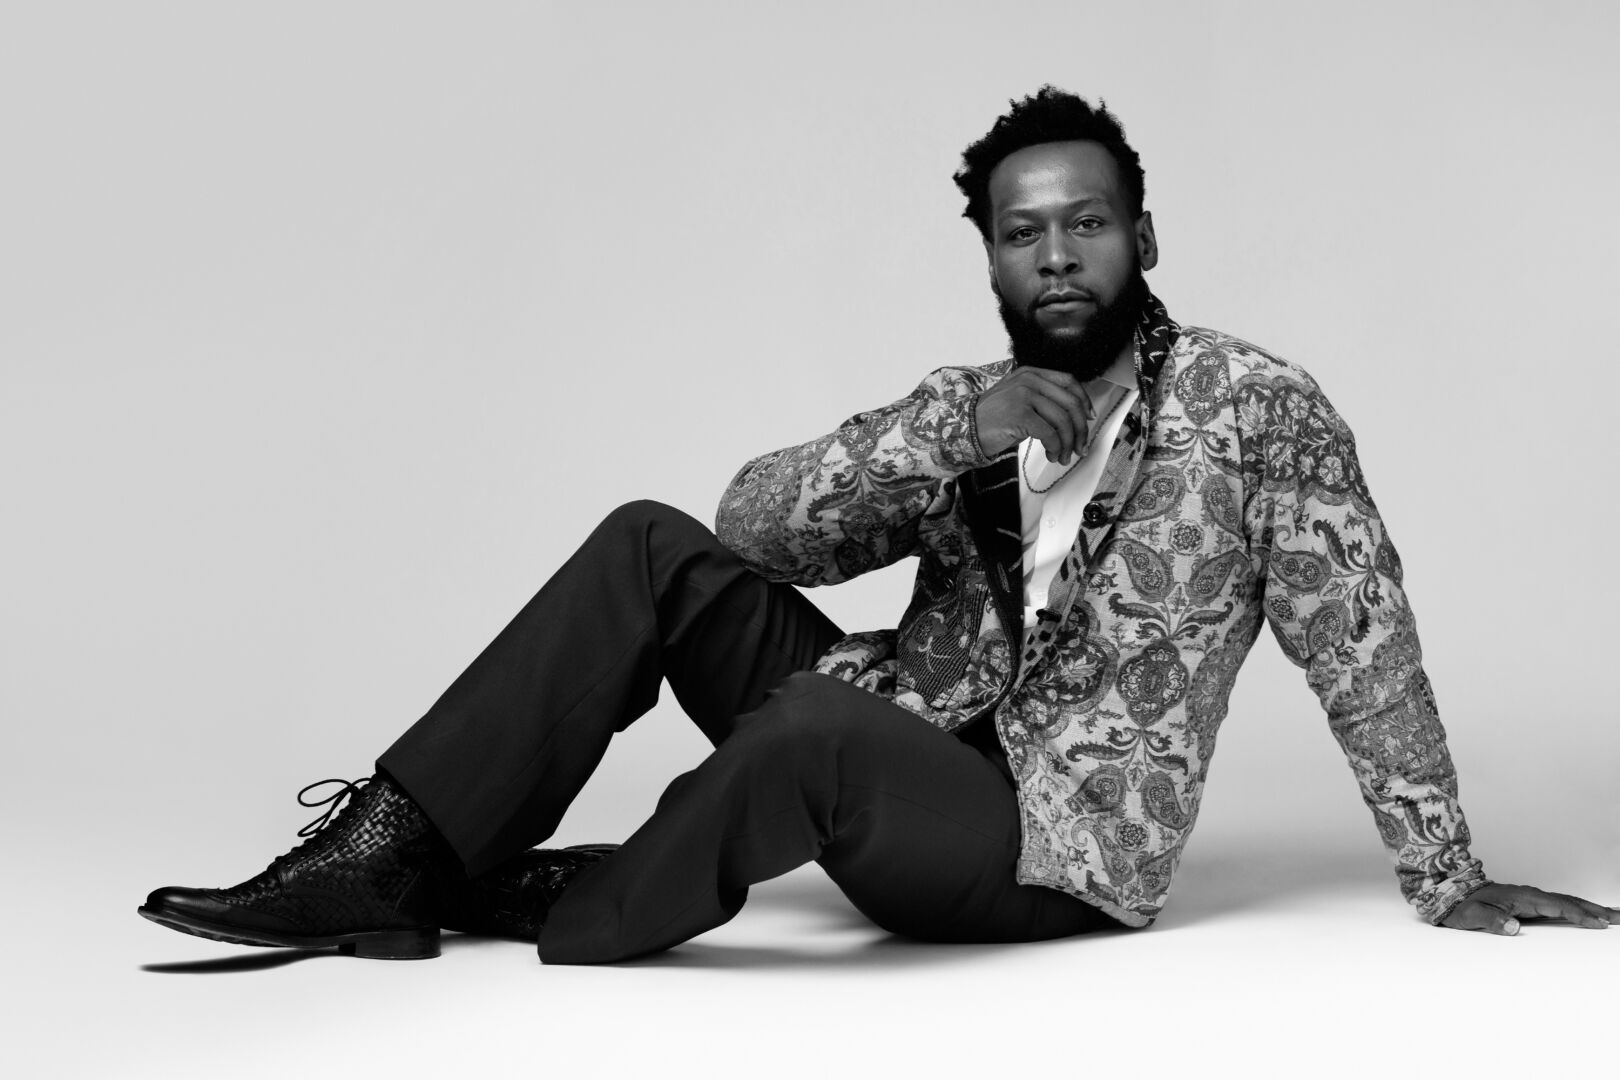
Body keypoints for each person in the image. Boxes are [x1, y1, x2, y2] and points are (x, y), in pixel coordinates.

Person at [139, 86, 1617, 963]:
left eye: (1087, 223)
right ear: (991, 257)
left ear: (1144, 237)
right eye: (1025, 233)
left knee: (811, 734)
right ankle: (389, 848)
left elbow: (1361, 635)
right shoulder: (970, 402)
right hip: (898, 727)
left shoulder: (1256, 409)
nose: (1057, 255)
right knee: (648, 544)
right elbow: (749, 528)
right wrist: (948, 438)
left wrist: (1445, 872)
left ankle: (551, 910)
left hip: (1046, 851)